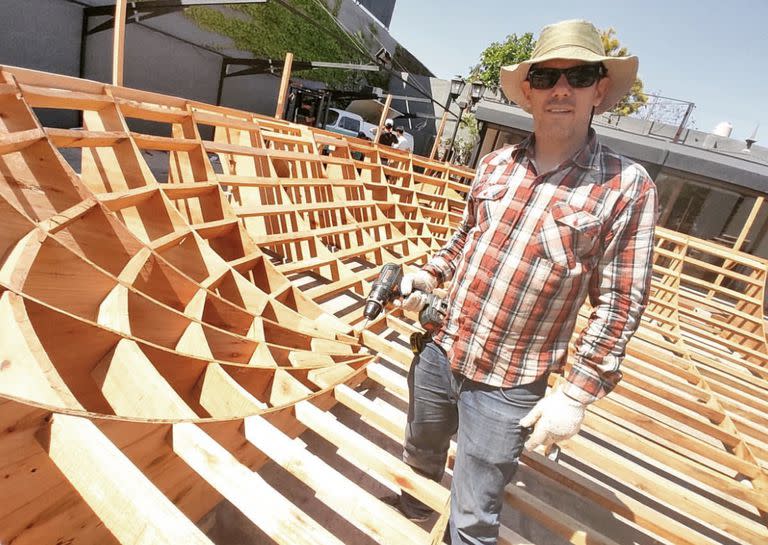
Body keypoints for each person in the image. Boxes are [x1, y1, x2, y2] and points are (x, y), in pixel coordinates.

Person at [390, 19, 657, 545]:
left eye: (578, 76)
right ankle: (411, 519)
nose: (562, 89)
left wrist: (576, 394)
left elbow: (620, 304)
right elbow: (465, 239)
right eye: (547, 77)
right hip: (441, 348)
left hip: (510, 383)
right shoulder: (495, 165)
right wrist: (430, 272)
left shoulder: (626, 187)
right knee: (420, 450)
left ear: (599, 90)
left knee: (474, 513)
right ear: (529, 91)